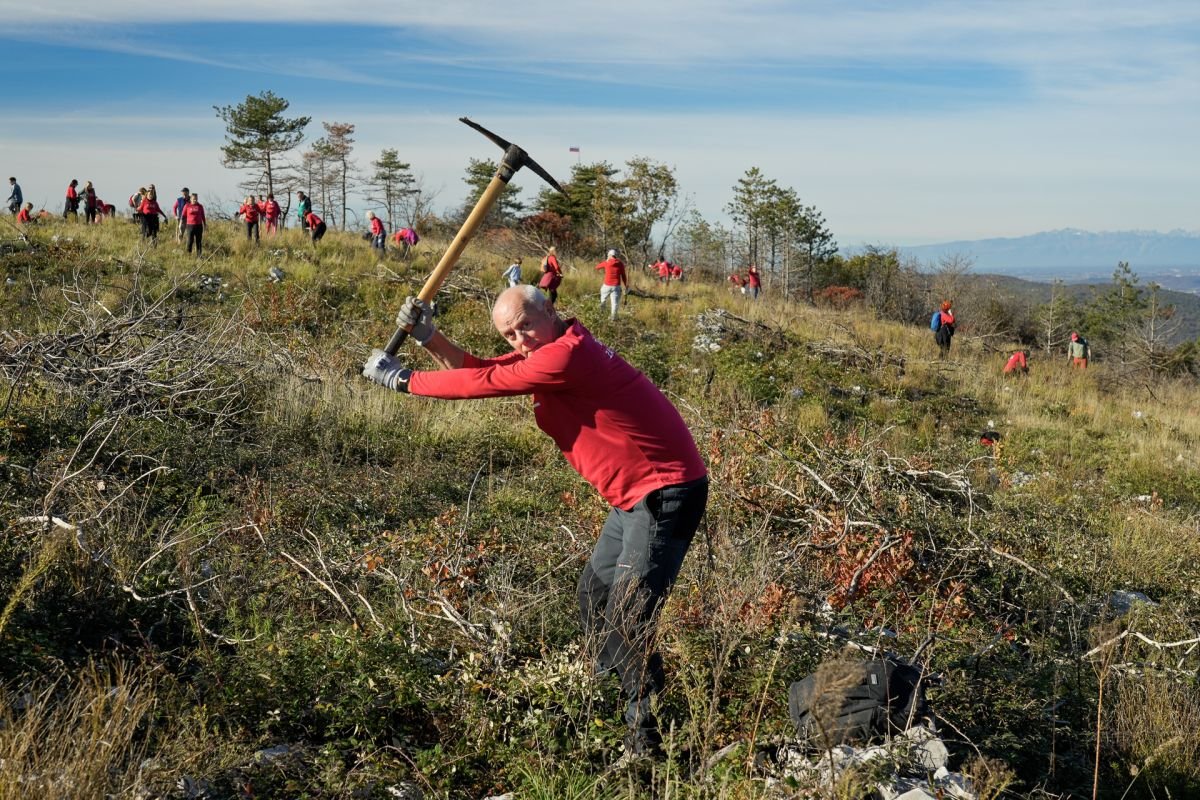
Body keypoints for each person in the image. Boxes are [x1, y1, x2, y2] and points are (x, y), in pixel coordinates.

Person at [361, 286, 708, 759]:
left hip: (664, 493)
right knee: (596, 596)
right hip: (631, 497)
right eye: (509, 333)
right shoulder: (553, 349)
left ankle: (648, 737)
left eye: (525, 325)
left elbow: (479, 385)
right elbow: (487, 369)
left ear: (549, 310)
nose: (519, 340)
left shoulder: (567, 356)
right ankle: (608, 700)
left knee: (629, 614)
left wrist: (401, 380)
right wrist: (428, 336)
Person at [596, 249, 628, 321]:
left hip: (606, 285)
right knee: (615, 304)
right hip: (616, 286)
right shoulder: (620, 264)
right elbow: (623, 276)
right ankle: (613, 319)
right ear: (616, 256)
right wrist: (625, 285)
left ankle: (601, 315)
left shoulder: (606, 262)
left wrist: (606, 260)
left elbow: (597, 267)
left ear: (609, 255)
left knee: (603, 300)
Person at [181, 193, 206, 257]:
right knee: (190, 241)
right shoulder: (187, 206)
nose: (195, 200)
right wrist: (181, 223)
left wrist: (205, 224)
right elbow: (183, 216)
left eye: (196, 199)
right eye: (194, 199)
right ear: (191, 199)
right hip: (190, 226)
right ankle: (188, 255)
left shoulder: (200, 206)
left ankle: (199, 256)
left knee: (199, 242)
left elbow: (203, 216)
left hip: (199, 226)